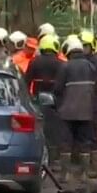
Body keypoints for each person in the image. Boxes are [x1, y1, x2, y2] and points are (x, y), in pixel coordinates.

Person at [54, 38, 97, 189]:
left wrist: (59, 105)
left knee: (66, 143)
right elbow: (96, 87)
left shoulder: (65, 67)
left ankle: (65, 174)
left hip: (67, 112)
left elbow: (58, 89)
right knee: (84, 142)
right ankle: (84, 174)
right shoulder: (91, 66)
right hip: (86, 111)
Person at [26, 34, 66, 172]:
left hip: (37, 100)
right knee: (56, 131)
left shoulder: (34, 62)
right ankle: (55, 160)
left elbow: (26, 81)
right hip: (57, 102)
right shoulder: (61, 63)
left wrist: (28, 98)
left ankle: (40, 158)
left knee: (40, 129)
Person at [80, 30, 97, 179]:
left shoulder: (96, 62)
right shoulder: (80, 61)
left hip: (93, 102)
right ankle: (84, 165)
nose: (83, 48)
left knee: (92, 135)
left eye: (86, 46)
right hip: (82, 103)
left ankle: (95, 167)